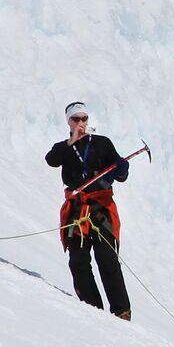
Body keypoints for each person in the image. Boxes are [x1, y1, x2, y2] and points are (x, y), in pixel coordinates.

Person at [45, 100, 131, 320]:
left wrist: (121, 168)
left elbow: (121, 174)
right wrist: (70, 141)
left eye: (84, 118)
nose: (81, 122)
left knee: (107, 257)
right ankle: (91, 309)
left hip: (100, 205)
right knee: (78, 260)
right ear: (69, 122)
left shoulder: (102, 143)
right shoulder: (63, 148)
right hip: (76, 209)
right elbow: (51, 161)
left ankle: (121, 311)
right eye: (76, 119)